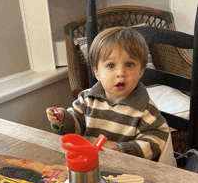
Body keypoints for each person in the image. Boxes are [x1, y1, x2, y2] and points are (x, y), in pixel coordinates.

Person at [46, 27, 169, 160]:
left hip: (126, 171)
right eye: (111, 65)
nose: (121, 73)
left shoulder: (145, 110)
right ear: (97, 72)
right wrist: (63, 119)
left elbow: (156, 140)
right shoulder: (87, 99)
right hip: (89, 163)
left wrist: (123, 150)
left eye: (129, 64)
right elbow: (74, 128)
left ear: (141, 71)